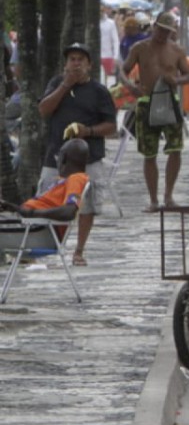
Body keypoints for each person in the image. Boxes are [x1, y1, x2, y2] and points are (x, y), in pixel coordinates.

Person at [36, 43, 117, 266]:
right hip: (56, 156)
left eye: (81, 59)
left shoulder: (99, 91)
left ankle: (79, 250)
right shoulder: (55, 84)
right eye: (72, 59)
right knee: (47, 201)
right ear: (66, 63)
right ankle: (50, 247)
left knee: (87, 205)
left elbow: (111, 125)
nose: (76, 63)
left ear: (89, 65)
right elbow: (43, 110)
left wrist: (88, 131)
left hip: (88, 156)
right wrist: (65, 85)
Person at [120, 12, 189, 212]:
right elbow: (123, 70)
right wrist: (130, 87)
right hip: (146, 102)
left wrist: (176, 81)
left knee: (175, 149)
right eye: (160, 30)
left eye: (167, 31)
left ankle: (168, 195)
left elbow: (188, 76)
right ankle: (153, 199)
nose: (162, 34)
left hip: (169, 101)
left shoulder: (176, 50)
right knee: (149, 152)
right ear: (154, 27)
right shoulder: (139, 48)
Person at [1, 138, 90, 225]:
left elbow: (69, 212)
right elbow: (46, 204)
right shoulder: (66, 181)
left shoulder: (76, 179)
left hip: (33, 227)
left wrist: (32, 213)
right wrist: (16, 209)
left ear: (64, 158)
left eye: (58, 156)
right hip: (28, 223)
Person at [99, 6, 120, 85]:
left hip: (108, 56)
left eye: (101, 10)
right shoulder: (92, 23)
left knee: (109, 81)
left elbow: (115, 40)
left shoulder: (110, 23)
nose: (100, 12)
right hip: (96, 55)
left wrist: (116, 56)